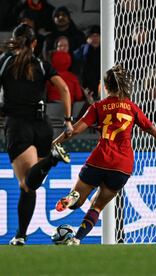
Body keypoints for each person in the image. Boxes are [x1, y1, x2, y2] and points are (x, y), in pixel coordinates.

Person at [52, 64, 156, 245]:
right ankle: (77, 239)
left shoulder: (98, 107)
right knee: (97, 206)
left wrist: (56, 142)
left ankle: (72, 199)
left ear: (105, 86)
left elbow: (75, 130)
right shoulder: (132, 108)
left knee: (78, 198)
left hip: (100, 159)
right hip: (122, 166)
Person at [0, 23, 73, 246]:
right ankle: (21, 235)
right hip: (43, 125)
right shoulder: (41, 64)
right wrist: (68, 120)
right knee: (32, 184)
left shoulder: (4, 62)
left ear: (14, 41)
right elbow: (64, 89)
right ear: (34, 43)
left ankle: (52, 158)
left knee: (27, 185)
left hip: (18, 126)